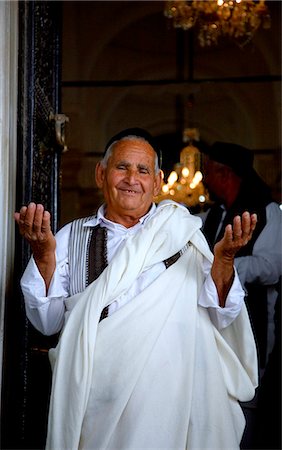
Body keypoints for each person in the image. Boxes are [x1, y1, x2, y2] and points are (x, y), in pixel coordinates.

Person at [15, 128, 259, 450]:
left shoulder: (184, 237)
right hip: (96, 403)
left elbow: (221, 317)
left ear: (157, 182)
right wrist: (44, 256)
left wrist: (224, 260)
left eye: (143, 170)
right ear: (101, 174)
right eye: (122, 167)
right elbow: (48, 322)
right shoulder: (70, 237)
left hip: (171, 403)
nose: (132, 178)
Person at [199, 141, 281, 448]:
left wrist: (225, 266)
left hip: (255, 324)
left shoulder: (268, 211)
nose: (204, 178)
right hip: (210, 326)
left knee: (246, 397)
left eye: (207, 170)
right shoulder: (212, 216)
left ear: (224, 174)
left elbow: (272, 266)